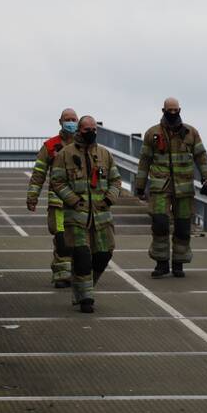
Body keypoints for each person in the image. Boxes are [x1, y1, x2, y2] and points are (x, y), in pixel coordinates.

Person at [133, 97, 207, 278]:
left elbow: (201, 157)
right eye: (169, 111)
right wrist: (140, 185)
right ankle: (161, 263)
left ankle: (179, 263)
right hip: (160, 187)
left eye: (175, 110)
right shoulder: (152, 134)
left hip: (184, 188)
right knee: (160, 223)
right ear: (163, 111)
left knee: (183, 227)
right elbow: (144, 161)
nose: (172, 114)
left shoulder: (190, 133)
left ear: (180, 110)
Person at [49, 116, 122, 312]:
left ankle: (85, 286)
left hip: (101, 217)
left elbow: (115, 180)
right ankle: (85, 298)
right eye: (87, 129)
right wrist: (73, 200)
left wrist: (109, 199)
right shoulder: (65, 155)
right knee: (82, 258)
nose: (91, 132)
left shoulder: (104, 154)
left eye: (93, 129)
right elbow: (56, 181)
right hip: (77, 217)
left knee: (104, 255)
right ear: (79, 130)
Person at [26, 108, 78, 288]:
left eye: (73, 119)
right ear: (60, 122)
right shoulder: (50, 146)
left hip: (81, 203)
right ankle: (62, 275)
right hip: (59, 203)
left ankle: (80, 273)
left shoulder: (85, 144)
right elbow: (38, 173)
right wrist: (32, 197)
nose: (71, 122)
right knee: (62, 239)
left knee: (80, 239)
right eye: (67, 119)